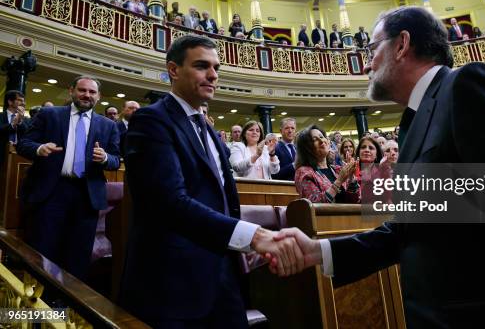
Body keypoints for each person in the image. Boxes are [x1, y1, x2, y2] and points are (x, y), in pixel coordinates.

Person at [276, 6, 485, 328]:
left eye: (371, 49)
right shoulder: (412, 123)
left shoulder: (467, 87)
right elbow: (409, 227)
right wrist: (318, 251)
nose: (365, 64)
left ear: (402, 45)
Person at [119, 35, 304, 327]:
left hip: (221, 275)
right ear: (174, 69)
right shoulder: (150, 121)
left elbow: (221, 202)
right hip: (173, 284)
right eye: (202, 66)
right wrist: (254, 236)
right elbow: (169, 202)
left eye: (216, 67)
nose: (214, 75)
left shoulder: (204, 127)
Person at [17, 76, 121, 279]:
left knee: (78, 255)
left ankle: (70, 306)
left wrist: (106, 158)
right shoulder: (50, 115)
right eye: (82, 90)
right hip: (51, 192)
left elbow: (116, 159)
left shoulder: (108, 125)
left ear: (98, 96)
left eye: (92, 92)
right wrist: (39, 148)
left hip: (87, 196)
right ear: (71, 91)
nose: (86, 95)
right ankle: (40, 304)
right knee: (44, 250)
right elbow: (23, 143)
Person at [294, 125, 359, 203]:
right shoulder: (304, 172)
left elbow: (354, 201)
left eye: (321, 137)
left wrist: (351, 178)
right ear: (306, 149)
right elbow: (315, 204)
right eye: (315, 140)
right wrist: (339, 181)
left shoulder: (337, 169)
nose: (321, 141)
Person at [0, 90, 30, 169]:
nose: (23, 103)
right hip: (2, 154)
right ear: (10, 102)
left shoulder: (26, 119)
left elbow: (28, 134)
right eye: (20, 100)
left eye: (24, 101)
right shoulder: (1, 116)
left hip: (20, 156)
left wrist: (20, 121)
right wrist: (12, 124)